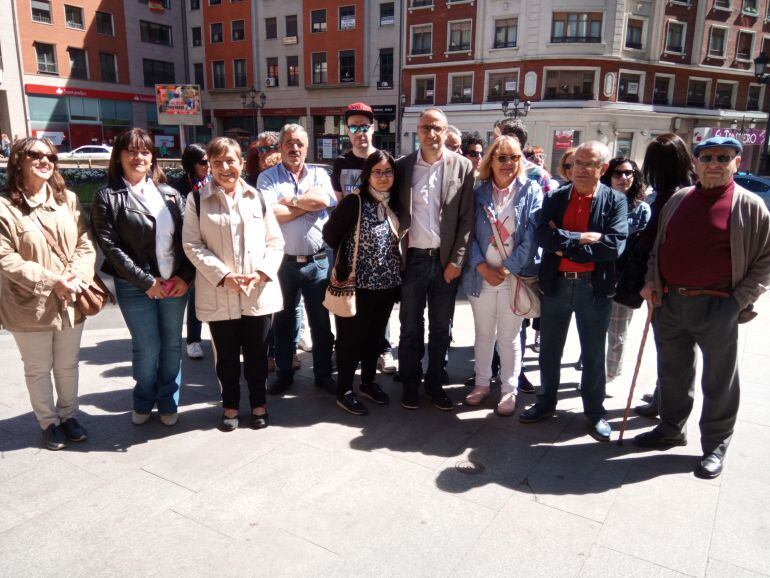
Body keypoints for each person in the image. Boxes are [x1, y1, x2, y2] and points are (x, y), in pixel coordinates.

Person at [635, 136, 770, 479]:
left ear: (736, 163)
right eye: (707, 157)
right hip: (671, 301)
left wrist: (740, 300)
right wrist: (652, 281)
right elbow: (658, 249)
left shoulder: (750, 206)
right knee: (673, 373)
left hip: (720, 305)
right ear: (694, 162)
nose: (714, 163)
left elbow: (766, 260)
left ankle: (715, 445)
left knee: (719, 381)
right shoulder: (679, 199)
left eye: (723, 157)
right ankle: (670, 429)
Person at [519, 141, 628, 442]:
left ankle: (595, 413)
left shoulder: (615, 201)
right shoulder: (556, 196)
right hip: (556, 285)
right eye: (576, 163)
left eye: (589, 164)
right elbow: (543, 234)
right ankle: (545, 403)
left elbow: (614, 246)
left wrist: (565, 243)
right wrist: (583, 239)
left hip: (594, 289)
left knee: (593, 354)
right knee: (549, 351)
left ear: (602, 169)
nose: (580, 169)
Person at [91, 128, 194, 426]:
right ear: (119, 157)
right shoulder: (107, 197)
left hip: (175, 284)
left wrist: (184, 278)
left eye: (145, 151)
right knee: (147, 347)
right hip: (136, 286)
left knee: (172, 345)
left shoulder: (171, 194)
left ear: (153, 157)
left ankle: (168, 401)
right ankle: (143, 398)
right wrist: (146, 282)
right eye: (132, 151)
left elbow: (189, 241)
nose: (139, 157)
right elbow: (110, 248)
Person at [0, 137, 96, 450]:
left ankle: (69, 416)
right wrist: (52, 280)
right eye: (35, 155)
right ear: (18, 161)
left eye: (50, 156)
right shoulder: (5, 208)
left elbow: (84, 242)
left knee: (68, 364)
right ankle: (48, 422)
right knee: (38, 367)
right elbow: (6, 258)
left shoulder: (66, 199)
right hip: (29, 305)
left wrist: (77, 277)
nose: (45, 161)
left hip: (71, 299)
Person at [183, 137, 284, 431]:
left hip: (256, 291)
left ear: (241, 162)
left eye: (231, 161)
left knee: (257, 355)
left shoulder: (258, 196)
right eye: (217, 162)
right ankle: (229, 405)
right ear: (210, 166)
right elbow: (192, 244)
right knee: (225, 357)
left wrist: (262, 272)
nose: (225, 168)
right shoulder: (198, 200)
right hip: (220, 291)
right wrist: (223, 276)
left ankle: (258, 404)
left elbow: (275, 242)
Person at [395, 107, 475, 410]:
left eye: (437, 128)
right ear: (418, 131)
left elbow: (467, 218)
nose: (431, 134)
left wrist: (456, 261)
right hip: (413, 260)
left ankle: (436, 383)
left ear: (445, 132)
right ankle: (411, 384)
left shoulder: (462, 167)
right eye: (426, 128)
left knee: (442, 328)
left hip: (445, 263)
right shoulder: (402, 167)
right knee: (410, 327)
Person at [462, 135, 542, 416]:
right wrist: (481, 266)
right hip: (481, 276)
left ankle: (509, 390)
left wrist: (507, 269)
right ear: (491, 160)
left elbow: (532, 237)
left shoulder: (531, 190)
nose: (509, 163)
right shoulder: (478, 192)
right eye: (503, 157)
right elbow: (467, 234)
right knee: (483, 335)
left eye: (515, 157)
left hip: (514, 278)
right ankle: (482, 384)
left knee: (509, 338)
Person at [257, 124, 337, 395]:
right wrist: (306, 204)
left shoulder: (319, 173)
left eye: (300, 144)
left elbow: (323, 202)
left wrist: (289, 201)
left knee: (321, 322)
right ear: (280, 147)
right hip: (282, 262)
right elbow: (270, 214)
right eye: (289, 143)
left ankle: (324, 374)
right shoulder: (267, 178)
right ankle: (284, 374)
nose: (294, 148)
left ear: (307, 147)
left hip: (318, 261)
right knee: (283, 322)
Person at [323, 150, 401, 415]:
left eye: (387, 171)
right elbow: (330, 235)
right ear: (367, 174)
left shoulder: (395, 202)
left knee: (375, 339)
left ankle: (368, 382)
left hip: (388, 285)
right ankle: (344, 390)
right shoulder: (354, 202)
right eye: (377, 172)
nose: (382, 177)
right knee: (350, 340)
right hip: (358, 286)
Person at [627, 134, 696, 418]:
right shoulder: (688, 188)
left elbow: (655, 239)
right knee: (673, 350)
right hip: (671, 281)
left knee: (671, 350)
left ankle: (665, 403)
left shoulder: (674, 195)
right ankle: (662, 393)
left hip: (666, 283)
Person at [331, 102, 398, 375]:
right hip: (350, 250)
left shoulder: (386, 159)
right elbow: (338, 206)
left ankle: (382, 350)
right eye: (354, 127)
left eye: (364, 126)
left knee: (378, 313)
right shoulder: (341, 163)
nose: (360, 132)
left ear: (373, 127)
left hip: (382, 260)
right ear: (347, 131)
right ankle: (346, 354)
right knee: (348, 311)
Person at [599, 157, 650, 383]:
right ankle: (593, 372)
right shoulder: (598, 203)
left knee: (617, 333)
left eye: (629, 173)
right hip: (597, 277)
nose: (623, 178)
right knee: (594, 330)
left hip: (624, 281)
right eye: (617, 173)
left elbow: (642, 251)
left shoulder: (641, 209)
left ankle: (609, 376)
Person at [171, 144, 210, 360]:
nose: (208, 167)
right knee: (194, 295)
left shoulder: (213, 183)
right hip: (189, 247)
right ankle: (193, 340)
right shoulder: (178, 187)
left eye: (209, 161)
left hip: (212, 245)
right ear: (191, 164)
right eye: (203, 162)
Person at [494, 118, 560, 194]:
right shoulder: (490, 172)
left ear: (515, 141)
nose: (494, 145)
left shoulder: (539, 176)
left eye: (498, 139)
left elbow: (547, 205)